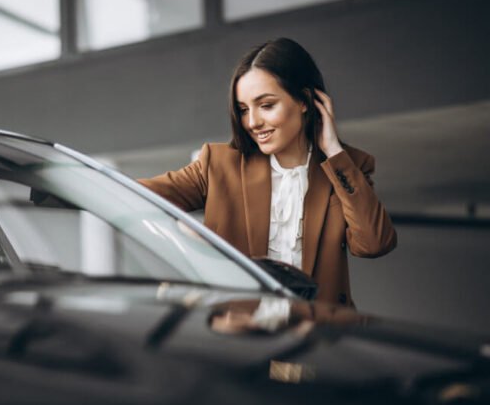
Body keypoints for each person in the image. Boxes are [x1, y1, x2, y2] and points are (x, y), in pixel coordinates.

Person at [139, 38, 396, 306]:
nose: (252, 122)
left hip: (319, 327)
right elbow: (132, 196)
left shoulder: (346, 167)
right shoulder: (218, 165)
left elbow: (374, 244)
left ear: (304, 101)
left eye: (266, 105)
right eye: (243, 110)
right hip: (240, 326)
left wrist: (333, 150)